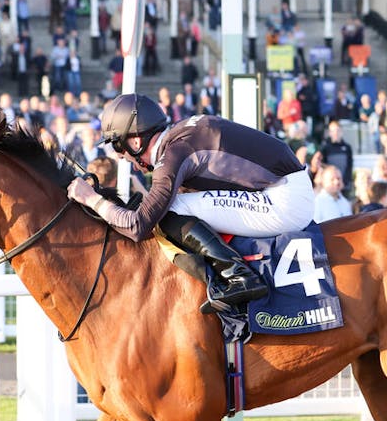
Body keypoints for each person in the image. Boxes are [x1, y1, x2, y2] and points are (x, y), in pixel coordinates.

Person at [66, 93, 315, 309]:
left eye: (117, 148)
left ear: (135, 141)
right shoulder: (179, 134)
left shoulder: (173, 154)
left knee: (171, 210)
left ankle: (238, 276)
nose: (120, 157)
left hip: (285, 200)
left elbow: (138, 226)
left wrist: (93, 200)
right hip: (285, 186)